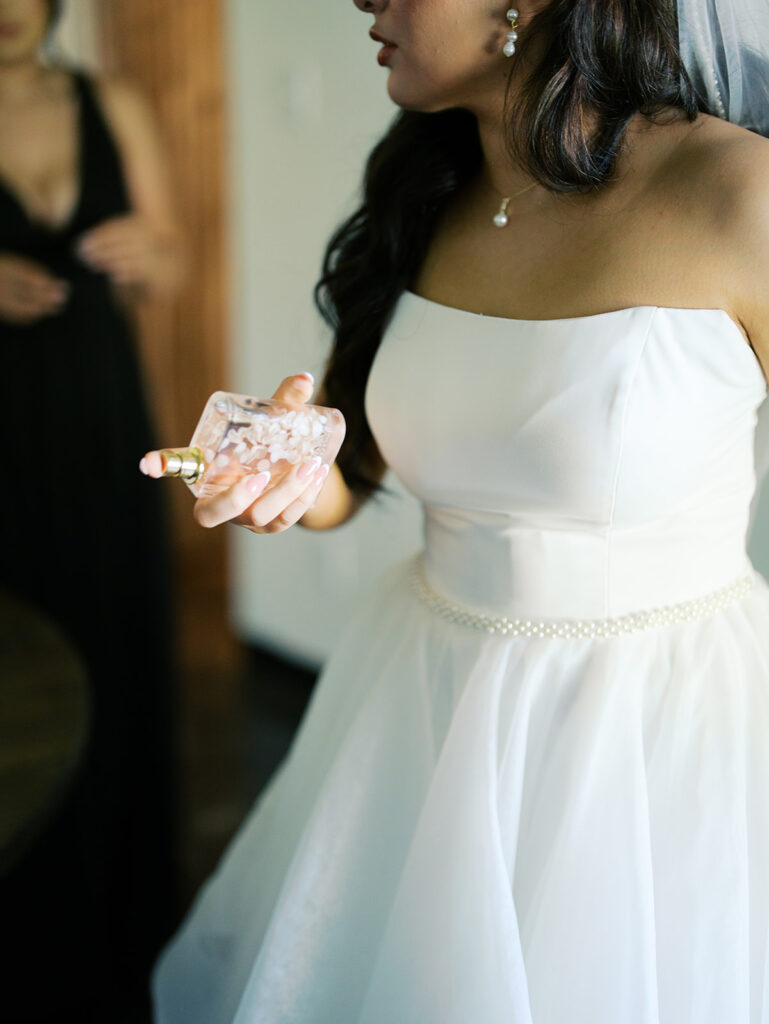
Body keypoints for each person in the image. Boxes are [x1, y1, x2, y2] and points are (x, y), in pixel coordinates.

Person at [151, 0, 769, 1021]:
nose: (363, 1)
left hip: (652, 723)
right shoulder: (425, 185)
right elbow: (353, 473)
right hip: (423, 697)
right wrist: (289, 468)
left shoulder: (738, 192)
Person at [0, 0, 184, 1019]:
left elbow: (174, 263)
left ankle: (123, 930)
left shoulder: (109, 99)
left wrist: (149, 256)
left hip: (105, 425)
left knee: (117, 656)